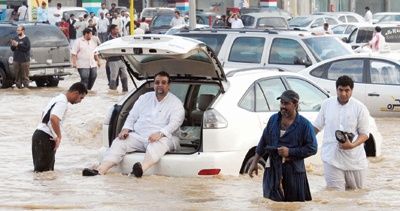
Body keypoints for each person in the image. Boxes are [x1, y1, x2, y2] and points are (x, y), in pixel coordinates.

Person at [82, 71, 185, 177]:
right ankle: (100, 171)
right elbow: (132, 115)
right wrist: (125, 129)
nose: (160, 85)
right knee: (120, 141)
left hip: (164, 138)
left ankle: (140, 170)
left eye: (163, 83)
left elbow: (175, 123)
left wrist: (160, 133)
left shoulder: (175, 103)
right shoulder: (144, 97)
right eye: (157, 82)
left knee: (159, 143)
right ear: (154, 85)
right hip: (140, 136)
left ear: (169, 86)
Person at [248, 90, 317, 202]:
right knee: (271, 202)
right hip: (273, 169)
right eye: (281, 103)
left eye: (286, 103)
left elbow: (312, 148)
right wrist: (254, 162)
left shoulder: (305, 125)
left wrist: (290, 152)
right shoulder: (273, 120)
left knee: (293, 204)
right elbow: (263, 141)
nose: (282, 106)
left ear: (295, 105)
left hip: (293, 172)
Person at [313, 75, 370, 191]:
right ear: (336, 89)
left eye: (347, 90)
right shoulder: (327, 104)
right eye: (341, 90)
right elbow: (317, 127)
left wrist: (352, 145)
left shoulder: (360, 108)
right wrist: (301, 141)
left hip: (354, 158)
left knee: (357, 193)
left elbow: (364, 134)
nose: (344, 94)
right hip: (331, 156)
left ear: (352, 90)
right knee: (335, 194)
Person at [32, 82, 87, 172]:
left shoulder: (57, 98)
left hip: (39, 135)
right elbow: (54, 118)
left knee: (42, 173)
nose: (80, 101)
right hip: (45, 138)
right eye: (81, 98)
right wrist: (59, 136)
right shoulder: (62, 102)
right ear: (75, 93)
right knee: (45, 172)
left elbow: (43, 114)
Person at [105, 24, 129, 92]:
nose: (117, 31)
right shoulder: (108, 38)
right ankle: (112, 90)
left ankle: (125, 90)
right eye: (116, 29)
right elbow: (106, 49)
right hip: (113, 60)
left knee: (124, 76)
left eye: (117, 29)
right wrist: (107, 60)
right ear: (112, 30)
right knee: (113, 77)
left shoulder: (119, 37)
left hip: (121, 59)